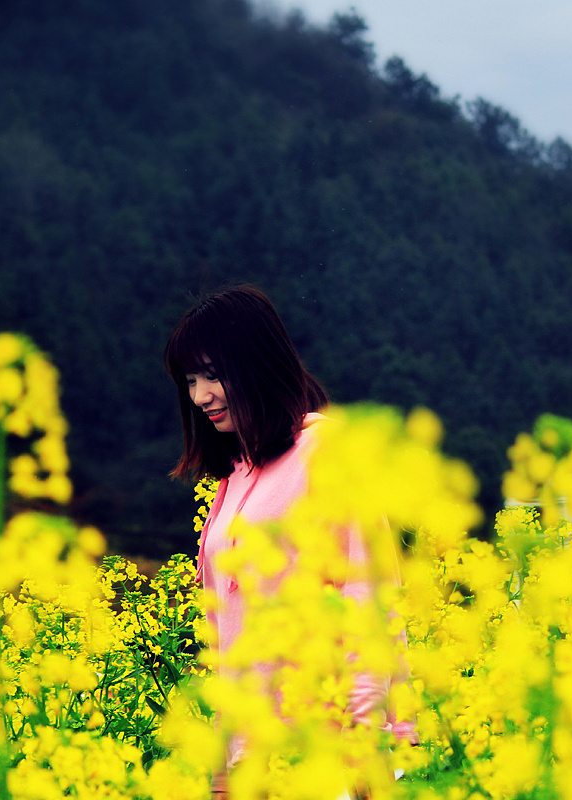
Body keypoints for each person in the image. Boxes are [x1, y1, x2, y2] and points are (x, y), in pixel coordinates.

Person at [164, 285, 413, 797]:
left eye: (213, 374)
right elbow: (229, 636)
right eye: (190, 381)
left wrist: (365, 745)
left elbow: (367, 603)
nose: (200, 396)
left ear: (256, 362)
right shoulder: (234, 475)